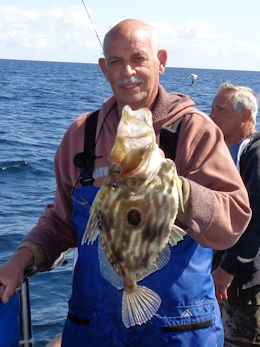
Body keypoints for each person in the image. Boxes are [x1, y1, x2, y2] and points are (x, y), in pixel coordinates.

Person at [0, 19, 251, 346]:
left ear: (161, 61)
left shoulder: (195, 130)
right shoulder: (82, 135)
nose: (127, 71)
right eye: (116, 61)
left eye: (138, 58)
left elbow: (233, 219)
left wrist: (176, 190)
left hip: (180, 330)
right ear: (104, 68)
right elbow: (62, 222)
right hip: (93, 327)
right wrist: (20, 259)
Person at [210, 82, 260, 346]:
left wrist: (227, 268)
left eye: (220, 109)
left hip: (244, 283)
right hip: (215, 275)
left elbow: (257, 216)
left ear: (246, 115)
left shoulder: (255, 153)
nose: (211, 116)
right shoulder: (216, 154)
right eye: (211, 108)